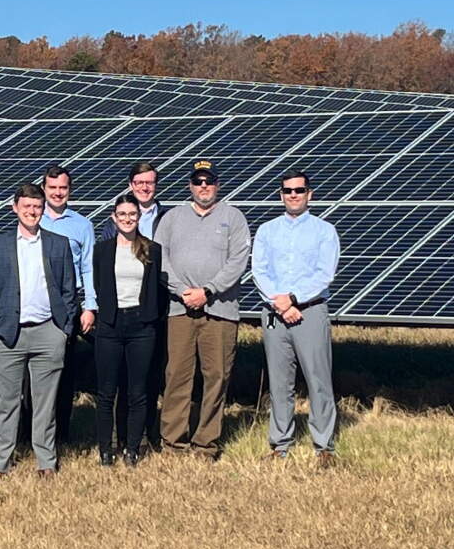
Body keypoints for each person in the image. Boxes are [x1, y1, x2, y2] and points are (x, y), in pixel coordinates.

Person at [154, 160, 250, 460]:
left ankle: (206, 444)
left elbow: (237, 261)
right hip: (178, 309)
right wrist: (183, 291)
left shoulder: (233, 218)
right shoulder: (172, 218)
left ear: (217, 185)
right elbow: (161, 258)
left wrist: (207, 290)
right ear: (190, 186)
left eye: (209, 181)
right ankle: (173, 443)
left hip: (220, 311)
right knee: (177, 376)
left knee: (216, 377)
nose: (203, 187)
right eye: (198, 182)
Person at [0, 184, 77, 476]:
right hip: (8, 335)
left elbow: (68, 290)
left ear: (43, 209)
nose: (32, 212)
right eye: (26, 206)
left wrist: (64, 329)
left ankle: (46, 462)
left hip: (48, 333)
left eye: (37, 207)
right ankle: (0, 463)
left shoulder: (58, 244)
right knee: (6, 403)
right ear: (15, 208)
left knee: (44, 404)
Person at [251, 169, 340, 466]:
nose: (293, 195)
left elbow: (324, 274)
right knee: (279, 383)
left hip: (310, 311)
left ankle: (323, 445)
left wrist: (293, 298)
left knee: (318, 379)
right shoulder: (266, 230)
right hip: (274, 312)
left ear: (309, 194)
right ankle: (279, 444)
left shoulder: (324, 231)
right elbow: (259, 271)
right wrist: (280, 302)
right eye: (288, 190)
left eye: (299, 190)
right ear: (281, 195)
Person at [100, 160, 169, 452]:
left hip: (154, 313)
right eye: (139, 183)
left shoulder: (169, 219)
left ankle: (146, 437)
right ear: (131, 185)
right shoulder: (109, 230)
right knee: (117, 384)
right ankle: (117, 439)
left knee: (150, 379)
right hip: (117, 317)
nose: (144, 187)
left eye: (150, 182)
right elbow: (100, 274)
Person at [39, 165, 96, 445]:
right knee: (34, 374)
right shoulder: (31, 218)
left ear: (69, 190)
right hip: (36, 303)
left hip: (68, 303)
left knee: (63, 371)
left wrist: (90, 306)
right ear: (44, 190)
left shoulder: (82, 225)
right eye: (52, 188)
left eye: (63, 188)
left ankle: (60, 435)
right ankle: (32, 434)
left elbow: (88, 268)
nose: (58, 193)